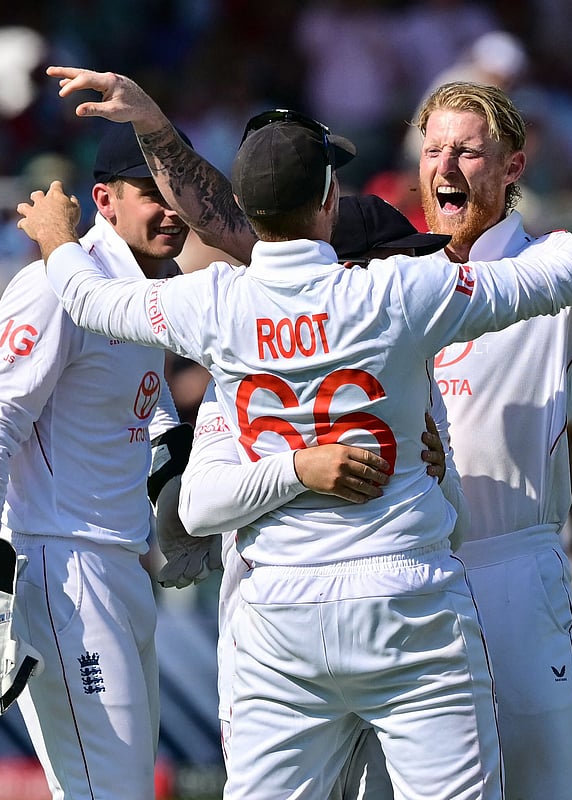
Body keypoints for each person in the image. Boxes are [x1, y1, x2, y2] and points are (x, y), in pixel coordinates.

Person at [17, 64, 572, 800]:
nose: (445, 167)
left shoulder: (392, 277)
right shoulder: (399, 281)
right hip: (405, 580)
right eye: (433, 148)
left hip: (495, 565)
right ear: (329, 207)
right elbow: (234, 221)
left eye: (467, 151)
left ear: (514, 165)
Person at [0, 122, 195, 800]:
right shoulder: (56, 284)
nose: (171, 209)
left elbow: (142, 407)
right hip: (62, 568)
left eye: (178, 190)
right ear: (104, 199)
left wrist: (181, 494)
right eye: (149, 192)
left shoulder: (142, 289)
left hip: (120, 566)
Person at [160, 193, 462, 800]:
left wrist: (444, 471)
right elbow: (193, 511)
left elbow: (451, 519)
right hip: (273, 648)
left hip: (389, 632)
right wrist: (300, 469)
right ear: (348, 269)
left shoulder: (409, 377)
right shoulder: (243, 372)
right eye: (395, 260)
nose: (409, 278)